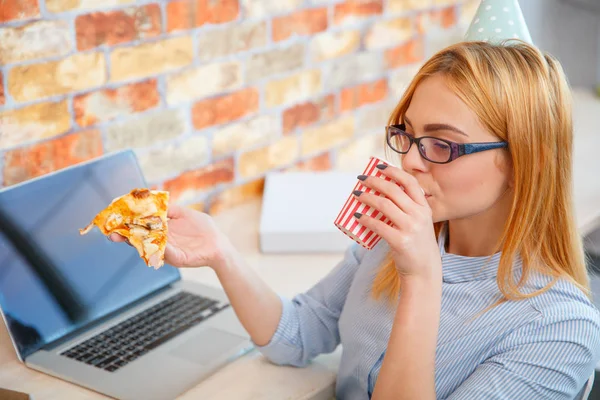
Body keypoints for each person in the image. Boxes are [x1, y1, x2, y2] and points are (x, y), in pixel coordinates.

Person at [112, 23, 600, 400]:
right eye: (407, 133)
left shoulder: (558, 330)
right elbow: (297, 335)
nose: (408, 160)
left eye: (442, 145)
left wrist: (422, 280)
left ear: (522, 161)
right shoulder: (394, 241)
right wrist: (222, 252)